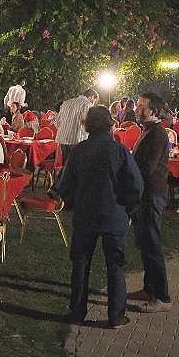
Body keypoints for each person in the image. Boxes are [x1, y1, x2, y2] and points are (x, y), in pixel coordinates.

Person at [61, 106, 143, 328]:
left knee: (80, 264)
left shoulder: (79, 151)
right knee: (115, 266)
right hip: (113, 214)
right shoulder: (119, 151)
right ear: (109, 124)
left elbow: (65, 184)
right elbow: (135, 185)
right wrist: (129, 208)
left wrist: (73, 201)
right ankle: (116, 316)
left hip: (85, 214)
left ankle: (77, 313)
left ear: (88, 125)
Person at [129, 93, 172, 313]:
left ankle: (162, 297)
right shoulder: (148, 130)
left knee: (153, 244)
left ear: (153, 111)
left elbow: (148, 167)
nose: (136, 109)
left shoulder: (157, 133)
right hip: (144, 194)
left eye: (140, 106)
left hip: (152, 194)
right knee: (145, 243)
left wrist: (127, 168)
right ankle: (149, 289)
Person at [54, 88, 100, 163]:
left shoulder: (66, 103)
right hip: (78, 139)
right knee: (79, 165)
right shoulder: (87, 104)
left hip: (62, 138)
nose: (94, 103)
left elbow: (57, 122)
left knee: (67, 165)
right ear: (91, 97)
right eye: (94, 100)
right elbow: (88, 123)